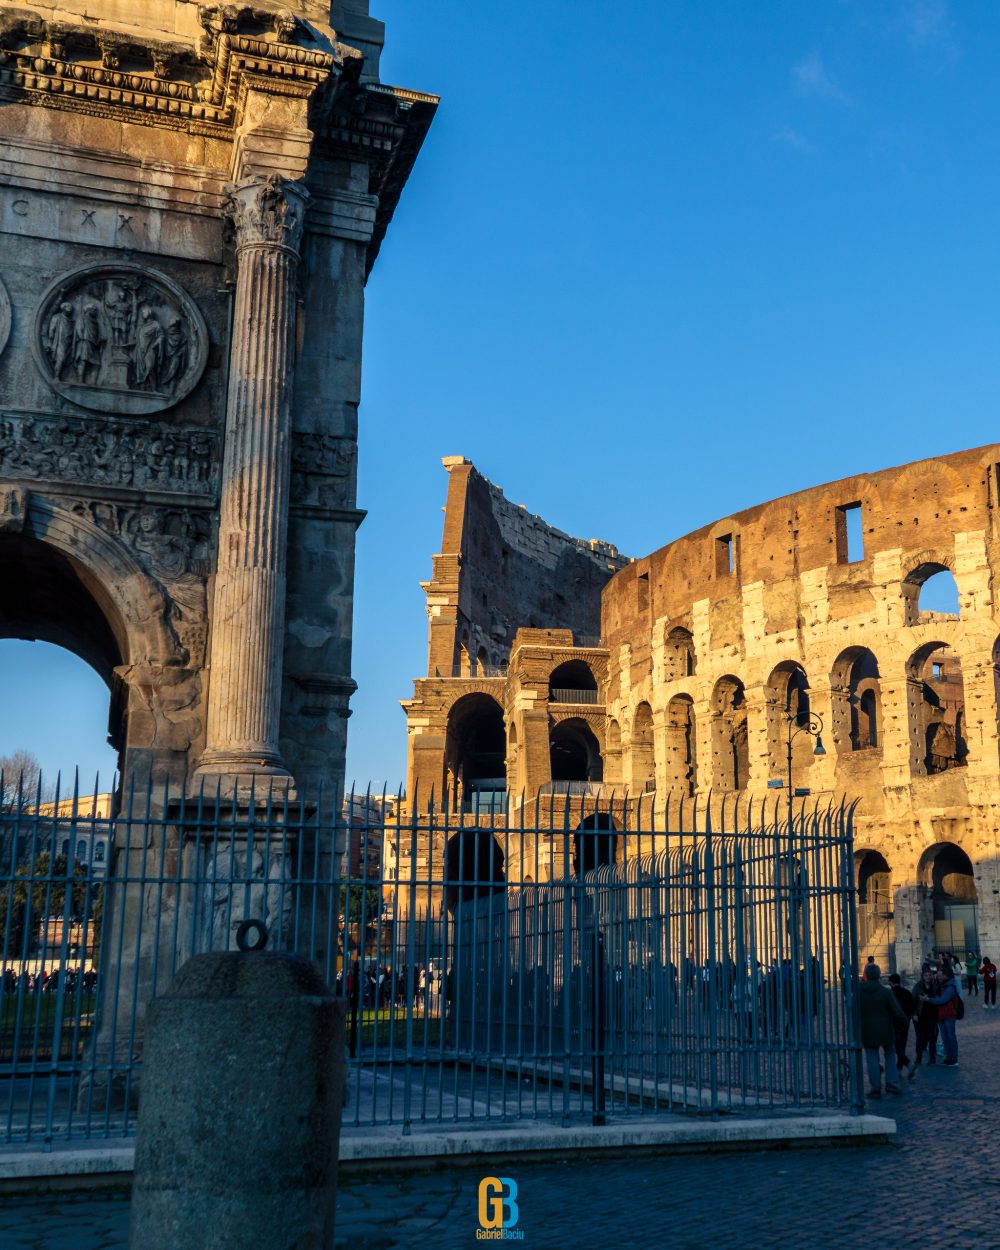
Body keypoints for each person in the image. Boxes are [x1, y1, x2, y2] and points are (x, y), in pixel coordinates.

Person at [859, 964, 906, 1098]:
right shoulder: (886, 992)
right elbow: (897, 1010)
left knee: (872, 1058)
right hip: (886, 1029)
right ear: (879, 975)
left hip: (867, 1030)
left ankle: (875, 1088)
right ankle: (891, 1082)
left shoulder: (859, 992)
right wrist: (903, 1022)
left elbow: (853, 1011)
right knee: (890, 1055)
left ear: (866, 975)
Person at [920, 963, 961, 1067]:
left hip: (949, 1015)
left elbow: (942, 1000)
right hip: (941, 1015)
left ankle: (954, 1058)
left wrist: (928, 999)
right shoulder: (940, 985)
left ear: (945, 975)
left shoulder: (950, 986)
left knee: (951, 1037)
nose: (937, 976)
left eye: (939, 974)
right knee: (945, 1038)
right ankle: (948, 1057)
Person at [888, 973, 916, 1076]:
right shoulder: (907, 993)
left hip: (895, 1022)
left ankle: (907, 1063)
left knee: (896, 1045)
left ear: (891, 982)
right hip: (906, 1022)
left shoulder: (890, 993)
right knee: (902, 1045)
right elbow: (913, 1007)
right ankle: (899, 1067)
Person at [913, 966, 939, 1066]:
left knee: (932, 1038)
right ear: (922, 977)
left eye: (930, 975)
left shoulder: (935, 986)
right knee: (919, 1038)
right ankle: (918, 1058)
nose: (928, 977)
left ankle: (932, 1059)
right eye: (926, 975)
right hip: (920, 1016)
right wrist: (914, 1013)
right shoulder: (917, 987)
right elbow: (913, 1001)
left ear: (932, 976)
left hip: (932, 1016)